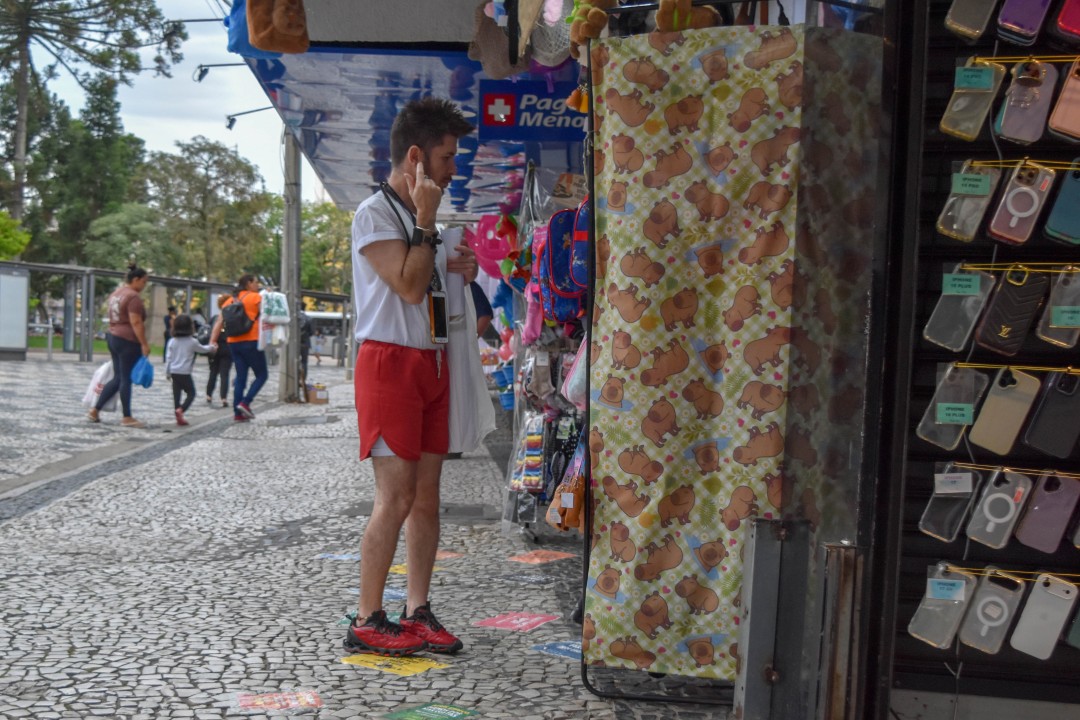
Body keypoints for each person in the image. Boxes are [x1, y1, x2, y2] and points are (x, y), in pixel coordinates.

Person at [347, 97, 477, 657]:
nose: (454, 169)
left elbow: (433, 282)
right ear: (417, 157)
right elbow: (406, 285)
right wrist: (427, 225)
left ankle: (416, 608)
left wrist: (461, 266)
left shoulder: (429, 222)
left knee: (427, 498)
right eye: (447, 158)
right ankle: (366, 617)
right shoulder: (373, 214)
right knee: (394, 498)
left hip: (433, 360)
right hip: (389, 362)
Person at [87, 264, 151, 428]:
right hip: (128, 340)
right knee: (125, 378)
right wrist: (144, 343)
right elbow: (135, 321)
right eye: (144, 282)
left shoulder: (116, 294)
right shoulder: (133, 297)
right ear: (135, 279)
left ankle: (95, 409)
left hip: (113, 336)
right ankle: (127, 417)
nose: (144, 286)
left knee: (118, 377)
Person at [210, 275, 266, 423]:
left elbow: (219, 322)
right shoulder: (256, 298)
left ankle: (237, 413)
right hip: (251, 341)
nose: (257, 285)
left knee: (241, 377)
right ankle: (245, 403)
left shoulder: (229, 301)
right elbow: (267, 316)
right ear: (248, 283)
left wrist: (213, 341)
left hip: (233, 342)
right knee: (262, 374)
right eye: (256, 282)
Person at [164, 313, 215, 426]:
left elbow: (168, 358)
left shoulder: (172, 341)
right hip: (185, 372)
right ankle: (181, 410)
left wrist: (167, 373)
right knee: (191, 393)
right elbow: (202, 349)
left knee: (176, 394)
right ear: (190, 327)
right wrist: (212, 347)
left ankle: (178, 414)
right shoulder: (192, 341)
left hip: (174, 371)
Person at [205, 294, 233, 408]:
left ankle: (209, 394)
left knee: (213, 372)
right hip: (227, 347)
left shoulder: (215, 318)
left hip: (215, 346)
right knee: (224, 374)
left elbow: (211, 330)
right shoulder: (232, 318)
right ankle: (223, 397)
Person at [298, 309, 313, 381]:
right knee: (304, 361)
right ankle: (303, 379)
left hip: (295, 343)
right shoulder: (309, 318)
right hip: (305, 343)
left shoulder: (294, 317)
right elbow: (311, 332)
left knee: (294, 360)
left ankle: (295, 377)